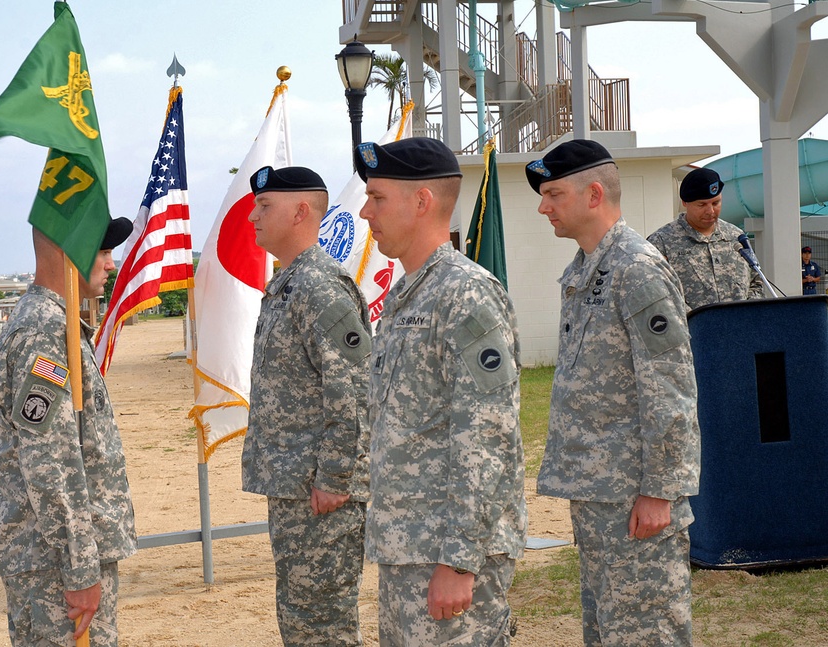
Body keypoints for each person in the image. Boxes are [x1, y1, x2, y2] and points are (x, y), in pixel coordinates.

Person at [527, 139, 701, 646]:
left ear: (594, 193)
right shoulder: (588, 269)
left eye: (554, 194)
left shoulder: (636, 268)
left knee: (647, 634)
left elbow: (670, 388)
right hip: (600, 496)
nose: (543, 206)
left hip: (635, 500)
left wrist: (660, 491)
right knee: (607, 633)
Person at [356, 137, 527, 646]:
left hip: (447, 552)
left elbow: (486, 435)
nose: (366, 211)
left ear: (422, 202)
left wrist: (459, 560)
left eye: (378, 197)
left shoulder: (465, 293)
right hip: (409, 546)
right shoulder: (410, 292)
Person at [0, 218, 137, 647]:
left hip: (49, 558)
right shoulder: (45, 333)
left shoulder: (53, 324)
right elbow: (50, 462)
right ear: (70, 252)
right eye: (102, 251)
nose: (111, 262)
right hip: (54, 566)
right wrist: (80, 568)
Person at [240, 166, 372, 646]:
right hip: (297, 488)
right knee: (302, 619)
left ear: (300, 212)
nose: (253, 215)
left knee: (323, 627)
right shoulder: (289, 284)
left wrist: (335, 479)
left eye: (265, 206)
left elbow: (355, 390)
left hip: (322, 495)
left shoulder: (319, 288)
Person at [646, 167, 764, 309]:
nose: (710, 211)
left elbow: (757, 281)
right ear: (685, 202)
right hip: (692, 329)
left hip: (740, 327)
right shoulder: (661, 243)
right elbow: (656, 293)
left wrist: (745, 315)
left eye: (716, 203)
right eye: (701, 205)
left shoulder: (736, 237)